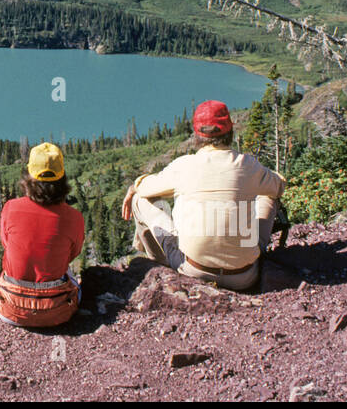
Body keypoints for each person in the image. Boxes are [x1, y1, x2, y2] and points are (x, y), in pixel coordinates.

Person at [122, 100, 284, 291]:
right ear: (230, 131)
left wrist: (135, 186)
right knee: (269, 195)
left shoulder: (184, 166)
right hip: (245, 276)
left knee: (140, 200)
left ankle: (160, 264)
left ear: (197, 135)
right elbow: (279, 186)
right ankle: (248, 249)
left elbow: (145, 189)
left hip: (194, 271)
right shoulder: (248, 165)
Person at [0, 142, 85, 327]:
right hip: (58, 311)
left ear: (29, 176)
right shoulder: (74, 217)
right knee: (68, 272)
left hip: (9, 309)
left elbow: (6, 244)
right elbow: (74, 253)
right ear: (62, 179)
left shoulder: (10, 208)